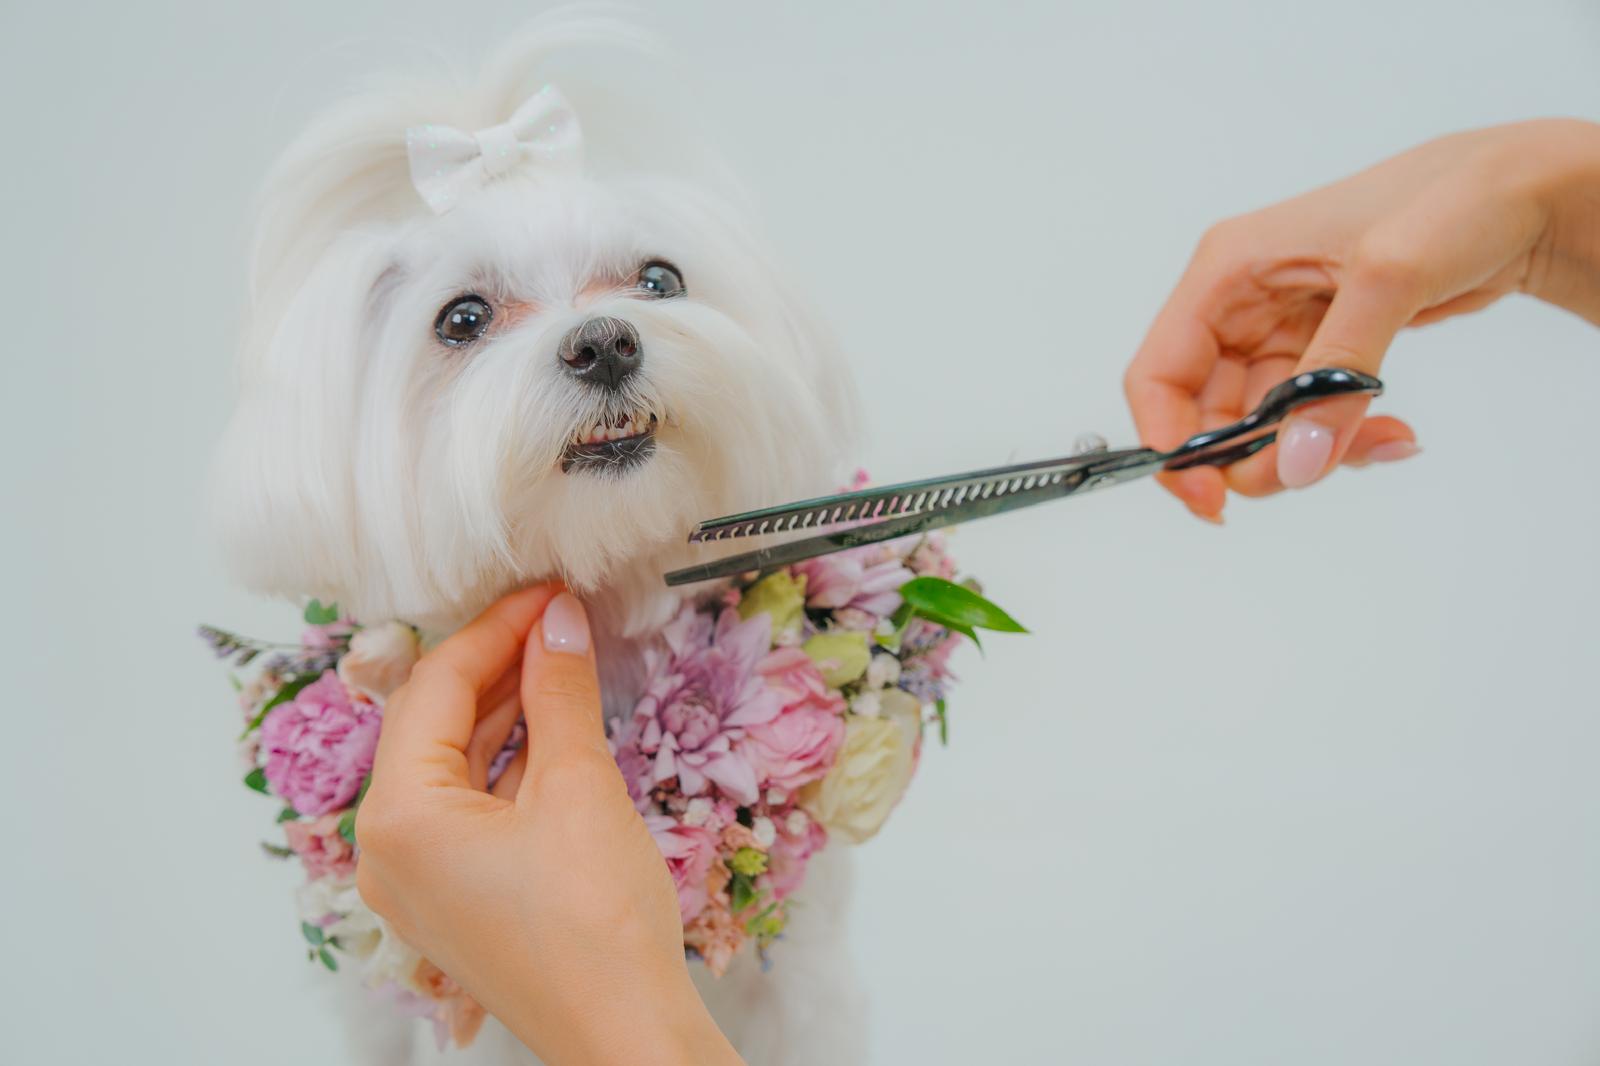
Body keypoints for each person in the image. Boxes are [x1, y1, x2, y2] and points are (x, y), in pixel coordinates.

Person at [356, 118, 1600, 1063]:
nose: (598, 337)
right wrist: (1541, 204)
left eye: (652, 287)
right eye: (468, 319)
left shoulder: (802, 672)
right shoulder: (362, 760)